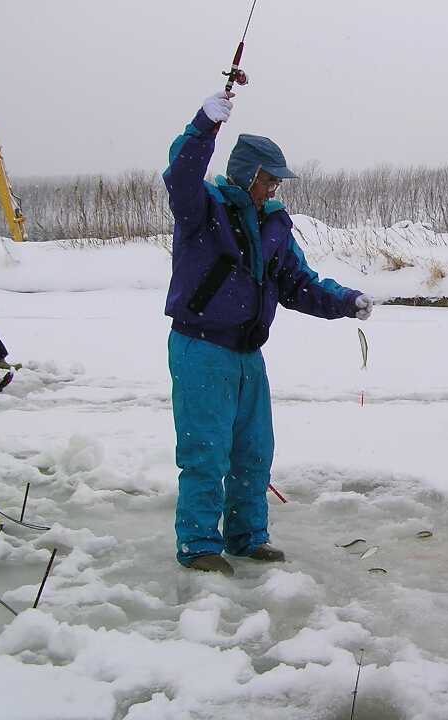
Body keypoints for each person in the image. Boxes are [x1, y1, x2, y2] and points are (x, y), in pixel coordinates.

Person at [164, 90, 375, 577]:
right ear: (246, 174)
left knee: (253, 451)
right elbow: (180, 176)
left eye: (278, 181)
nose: (275, 189)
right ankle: (198, 545)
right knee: (205, 451)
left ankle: (246, 537)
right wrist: (203, 126)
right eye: (269, 180)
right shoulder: (203, 210)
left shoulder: (275, 224)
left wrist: (346, 301)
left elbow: (297, 283)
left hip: (247, 355)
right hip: (201, 349)